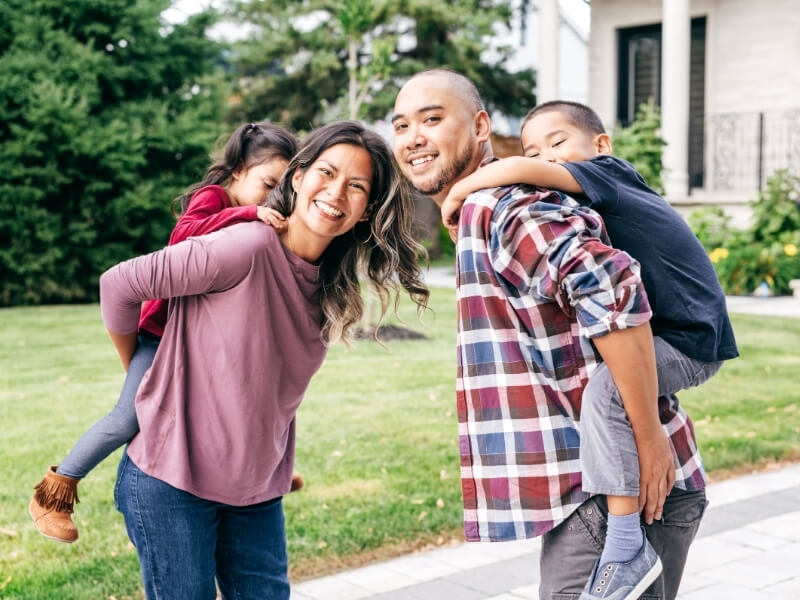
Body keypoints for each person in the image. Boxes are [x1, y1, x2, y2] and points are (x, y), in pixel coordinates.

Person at [392, 70, 730, 600]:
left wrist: (647, 439)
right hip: (611, 489)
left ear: (480, 126)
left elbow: (612, 287)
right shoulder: (490, 209)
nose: (413, 136)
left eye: (432, 119)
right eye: (401, 125)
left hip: (614, 496)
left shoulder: (502, 205)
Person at [101, 121, 428, 599]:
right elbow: (118, 285)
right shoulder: (246, 246)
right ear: (297, 177)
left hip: (254, 493)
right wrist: (143, 370)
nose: (336, 192)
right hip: (171, 479)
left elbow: (267, 387)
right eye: (327, 172)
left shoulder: (332, 289)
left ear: (365, 211)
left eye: (356, 186)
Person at [29, 121, 303, 544]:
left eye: (281, 191)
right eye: (267, 184)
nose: (272, 199)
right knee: (127, 418)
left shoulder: (260, 218)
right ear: (238, 174)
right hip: (163, 335)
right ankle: (55, 492)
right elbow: (183, 235)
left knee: (245, 395)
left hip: (203, 337)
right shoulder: (213, 198)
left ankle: (262, 471)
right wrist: (247, 213)